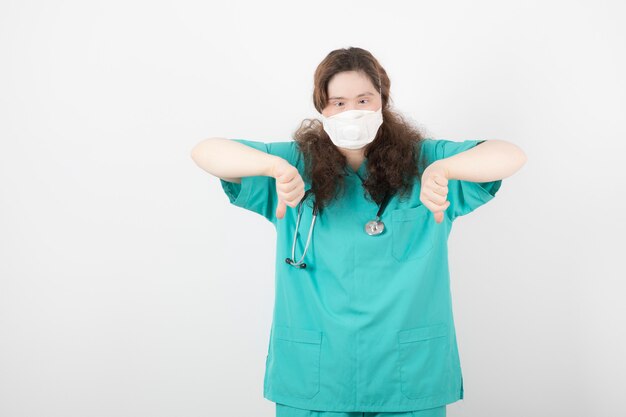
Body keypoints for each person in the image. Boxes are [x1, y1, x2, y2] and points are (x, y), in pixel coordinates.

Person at [191, 47, 527, 417]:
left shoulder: (427, 162)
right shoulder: (292, 167)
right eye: (338, 102)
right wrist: (271, 165)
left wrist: (443, 171)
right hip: (317, 377)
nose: (351, 112)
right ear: (322, 110)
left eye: (363, 99)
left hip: (406, 377)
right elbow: (206, 152)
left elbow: (509, 154)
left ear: (383, 102)